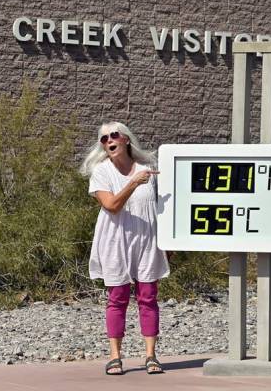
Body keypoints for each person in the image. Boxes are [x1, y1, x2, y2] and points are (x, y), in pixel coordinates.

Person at [80, 121, 170, 375]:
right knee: (117, 298)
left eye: (114, 135)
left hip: (145, 239)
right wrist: (132, 183)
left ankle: (151, 356)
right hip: (115, 239)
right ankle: (115, 356)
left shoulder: (147, 171)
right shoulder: (101, 172)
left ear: (126, 139)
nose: (109, 140)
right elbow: (111, 205)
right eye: (104, 138)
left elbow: (161, 210)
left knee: (148, 296)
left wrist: (167, 243)